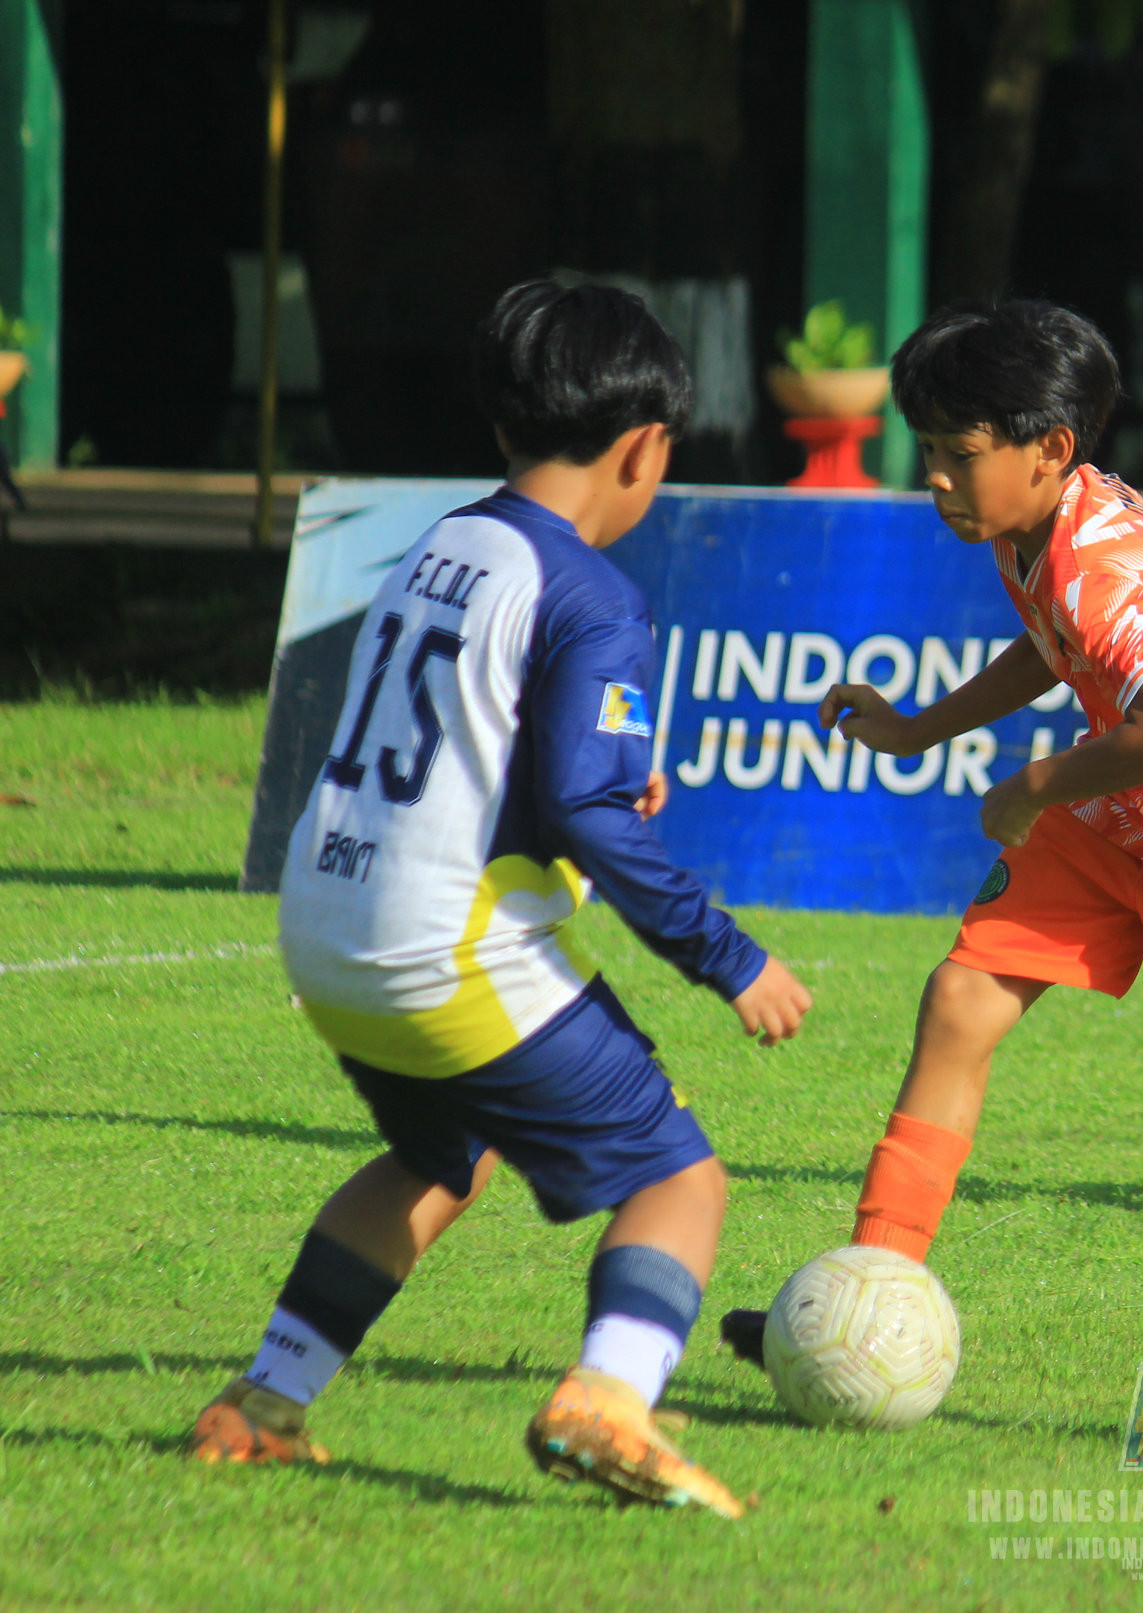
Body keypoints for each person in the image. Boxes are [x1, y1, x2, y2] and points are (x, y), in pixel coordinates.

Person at [187, 281, 816, 1519]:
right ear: (644, 448)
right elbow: (585, 808)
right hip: (443, 945)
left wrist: (584, 784)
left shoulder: (443, 540)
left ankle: (261, 1401)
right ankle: (610, 1393)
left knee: (438, 1153)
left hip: (326, 926)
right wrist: (727, 956)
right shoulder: (594, 594)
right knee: (679, 1177)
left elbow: (496, 761)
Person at [720, 300, 1143, 1461]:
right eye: (929, 450)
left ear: (1048, 448)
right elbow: (1051, 649)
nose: (936, 476)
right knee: (960, 1001)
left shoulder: (1096, 559)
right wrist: (918, 730)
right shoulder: (1025, 529)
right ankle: (855, 1305)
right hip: (1124, 808)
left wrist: (1034, 786)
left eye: (958, 452)